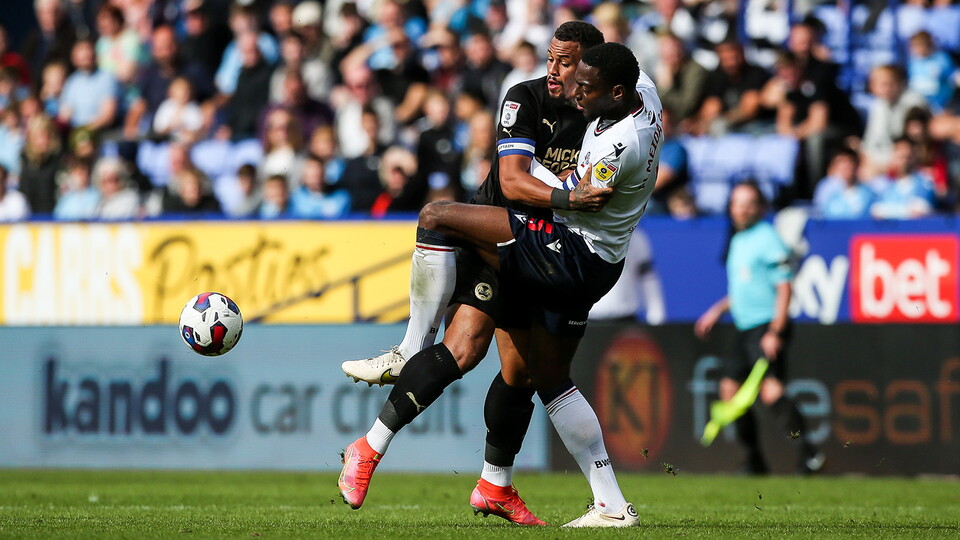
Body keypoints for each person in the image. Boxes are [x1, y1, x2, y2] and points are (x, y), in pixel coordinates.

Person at [339, 41, 661, 528]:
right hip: (586, 259)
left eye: (582, 81)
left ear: (614, 92)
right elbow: (512, 182)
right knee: (533, 375)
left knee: (437, 217)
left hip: (564, 250)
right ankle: (590, 500)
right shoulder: (629, 94)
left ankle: (406, 355)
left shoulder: (617, 147)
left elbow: (574, 198)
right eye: (558, 64)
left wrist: (567, 192)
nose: (571, 87)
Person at [694, 181, 824, 475]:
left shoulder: (767, 238)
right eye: (736, 203)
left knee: (771, 392)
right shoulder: (738, 240)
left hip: (766, 325)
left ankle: (810, 455)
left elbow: (784, 287)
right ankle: (754, 463)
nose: (740, 209)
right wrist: (716, 311)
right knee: (729, 391)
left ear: (760, 207)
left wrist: (775, 331)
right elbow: (745, 288)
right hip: (744, 327)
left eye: (747, 203)